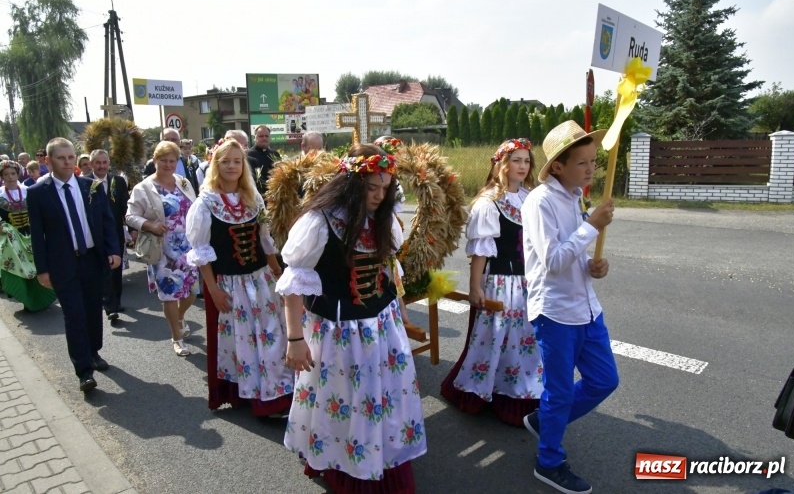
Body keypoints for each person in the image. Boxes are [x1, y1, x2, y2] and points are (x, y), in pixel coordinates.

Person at [278, 143, 425, 494]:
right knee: (345, 400)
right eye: (371, 187)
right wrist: (295, 340)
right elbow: (293, 284)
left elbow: (390, 270)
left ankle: (381, 456)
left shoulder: (382, 220)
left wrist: (400, 311)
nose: (378, 195)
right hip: (339, 333)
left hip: (381, 325)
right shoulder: (318, 221)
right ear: (350, 182)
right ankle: (345, 464)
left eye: (384, 187)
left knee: (380, 398)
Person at [521, 121, 618, 494]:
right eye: (583, 163)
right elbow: (552, 261)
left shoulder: (574, 196)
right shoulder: (540, 201)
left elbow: (574, 259)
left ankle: (547, 420)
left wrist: (596, 266)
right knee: (559, 392)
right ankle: (549, 462)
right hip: (556, 312)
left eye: (593, 162)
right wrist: (591, 226)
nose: (591, 169)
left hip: (587, 307)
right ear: (557, 166)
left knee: (604, 380)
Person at [186, 139, 294, 415]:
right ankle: (252, 394)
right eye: (226, 161)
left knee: (271, 335)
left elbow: (265, 240)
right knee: (243, 342)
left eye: (237, 161)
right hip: (230, 283)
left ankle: (276, 392)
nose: (232, 166)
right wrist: (212, 290)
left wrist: (278, 272)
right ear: (216, 165)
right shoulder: (205, 203)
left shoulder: (253, 197)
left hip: (260, 279)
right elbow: (202, 252)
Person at [440, 138, 543, 426]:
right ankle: (483, 391)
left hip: (525, 280)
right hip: (499, 281)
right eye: (516, 160)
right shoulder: (488, 202)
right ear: (502, 164)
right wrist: (476, 287)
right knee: (495, 337)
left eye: (526, 160)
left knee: (523, 339)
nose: (522, 166)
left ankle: (520, 390)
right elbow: (481, 251)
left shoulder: (528, 197)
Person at [27, 138, 121, 393]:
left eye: (71, 157)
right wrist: (43, 269)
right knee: (74, 316)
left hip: (91, 259)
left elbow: (106, 221)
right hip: (62, 264)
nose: (67, 162)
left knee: (92, 311)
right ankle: (83, 370)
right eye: (61, 158)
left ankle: (93, 352)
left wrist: (113, 250)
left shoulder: (91, 186)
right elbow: (38, 234)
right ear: (48, 161)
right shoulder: (37, 193)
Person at [127, 141, 199, 356]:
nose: (168, 164)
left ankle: (178, 317)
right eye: (163, 160)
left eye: (172, 160)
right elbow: (130, 216)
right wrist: (149, 225)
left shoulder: (183, 182)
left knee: (192, 291)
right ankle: (177, 338)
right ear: (154, 160)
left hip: (187, 246)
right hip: (162, 248)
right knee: (170, 295)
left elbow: (195, 209)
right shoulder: (144, 188)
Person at [0, 160, 57, 312]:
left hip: (32, 234)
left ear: (18, 173)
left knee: (38, 265)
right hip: (12, 240)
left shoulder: (28, 190)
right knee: (20, 268)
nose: (10, 177)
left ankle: (43, 296)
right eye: (6, 174)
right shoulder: (0, 194)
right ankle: (26, 298)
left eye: (13, 173)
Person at [90, 149, 129, 321]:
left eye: (104, 162)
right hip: (94, 234)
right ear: (91, 164)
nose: (101, 166)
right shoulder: (85, 183)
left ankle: (116, 301)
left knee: (116, 268)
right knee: (103, 269)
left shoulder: (118, 181)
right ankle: (109, 306)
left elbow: (125, 206)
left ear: (109, 163)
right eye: (97, 162)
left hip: (115, 232)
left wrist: (132, 229)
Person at [247, 125, 281, 195]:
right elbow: (256, 178)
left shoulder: (275, 154)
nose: (264, 138)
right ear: (254, 138)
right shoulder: (249, 155)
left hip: (276, 193)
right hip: (258, 194)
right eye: (261, 136)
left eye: (266, 136)